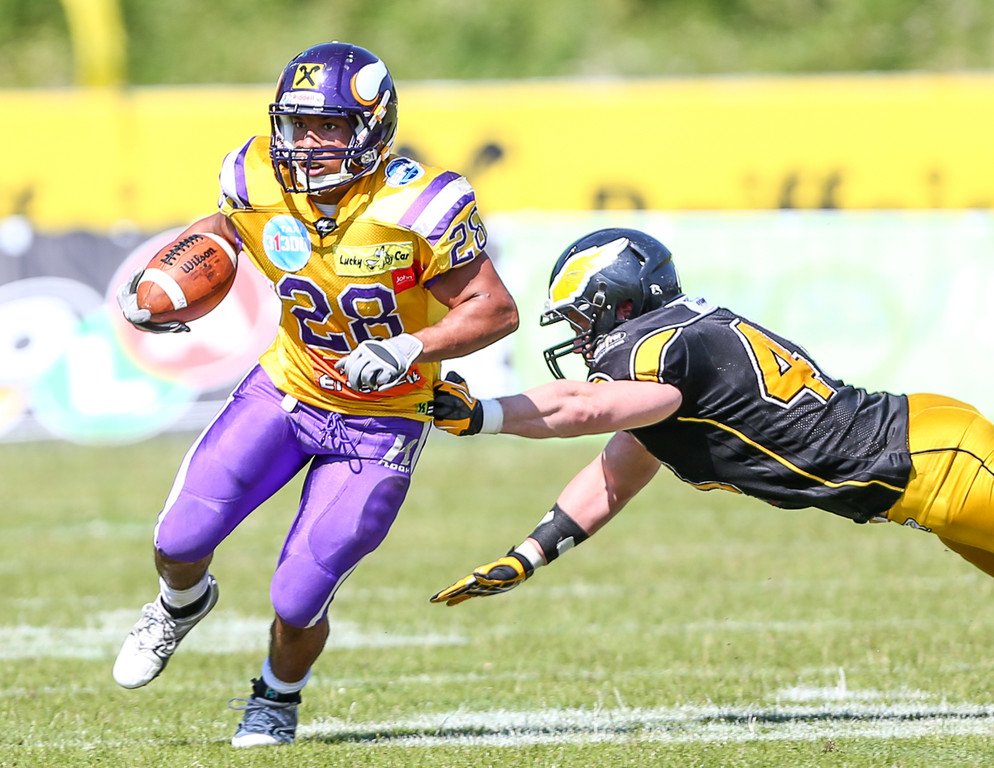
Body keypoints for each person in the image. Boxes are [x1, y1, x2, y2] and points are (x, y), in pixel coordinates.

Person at [112, 41, 518, 748]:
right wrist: (166, 280)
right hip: (287, 391)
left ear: (372, 127)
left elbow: (495, 309)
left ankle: (276, 696)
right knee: (179, 539)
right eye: (297, 125)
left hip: (382, 422)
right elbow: (224, 230)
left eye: (329, 126)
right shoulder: (254, 175)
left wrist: (410, 346)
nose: (307, 143)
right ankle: (180, 605)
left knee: (298, 595)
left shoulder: (418, 205)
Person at [428, 226, 994, 608]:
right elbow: (614, 475)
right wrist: (528, 557)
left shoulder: (654, 347)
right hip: (922, 465)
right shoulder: (672, 358)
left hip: (937, 466)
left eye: (582, 319)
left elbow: (584, 405)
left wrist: (484, 415)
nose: (580, 339)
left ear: (622, 304)